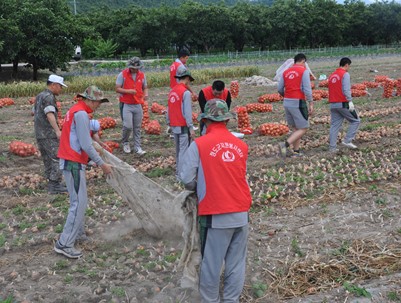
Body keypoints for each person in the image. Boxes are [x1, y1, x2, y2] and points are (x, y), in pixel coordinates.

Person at [180, 99, 252, 303]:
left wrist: (197, 187)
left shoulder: (199, 145)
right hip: (241, 213)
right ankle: (231, 300)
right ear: (226, 121)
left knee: (211, 265)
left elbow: (186, 178)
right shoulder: (241, 145)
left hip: (216, 214)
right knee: (236, 264)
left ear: (206, 121)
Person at [55, 86, 112, 259]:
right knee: (79, 202)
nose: (98, 105)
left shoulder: (77, 111)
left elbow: (82, 140)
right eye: (97, 102)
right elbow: (85, 145)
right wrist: (102, 164)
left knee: (78, 200)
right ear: (88, 99)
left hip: (71, 160)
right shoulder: (80, 114)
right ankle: (64, 243)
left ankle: (77, 234)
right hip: (72, 162)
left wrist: (99, 146)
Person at [34, 74, 68, 194]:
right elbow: (49, 114)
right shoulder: (49, 97)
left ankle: (51, 182)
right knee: (57, 158)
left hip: (39, 133)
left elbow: (36, 113)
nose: (61, 89)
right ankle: (54, 185)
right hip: (48, 133)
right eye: (60, 86)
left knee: (47, 158)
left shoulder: (40, 95)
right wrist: (57, 131)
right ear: (53, 85)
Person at [277, 53, 314, 158]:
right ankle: (284, 145)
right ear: (303, 61)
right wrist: (311, 102)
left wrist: (286, 96)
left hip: (287, 102)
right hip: (298, 102)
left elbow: (279, 88)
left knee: (296, 128)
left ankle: (296, 151)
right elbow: (307, 89)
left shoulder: (286, 72)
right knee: (304, 127)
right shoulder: (303, 71)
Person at [167, 66, 196, 180]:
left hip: (174, 125)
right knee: (183, 151)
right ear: (187, 78)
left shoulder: (172, 91)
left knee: (178, 150)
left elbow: (169, 109)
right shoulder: (185, 93)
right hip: (183, 125)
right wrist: (191, 128)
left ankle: (178, 173)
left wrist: (169, 123)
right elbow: (187, 112)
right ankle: (181, 176)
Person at [116, 57, 148, 155]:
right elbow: (117, 88)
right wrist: (128, 91)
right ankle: (125, 142)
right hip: (126, 104)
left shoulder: (142, 75)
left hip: (138, 103)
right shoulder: (123, 75)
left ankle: (137, 146)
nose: (135, 70)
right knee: (128, 126)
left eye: (137, 68)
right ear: (129, 67)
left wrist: (146, 94)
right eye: (133, 68)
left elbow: (145, 87)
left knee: (137, 127)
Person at [328, 57, 360, 153]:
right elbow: (346, 90)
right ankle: (347, 140)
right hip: (343, 103)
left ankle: (332, 148)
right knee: (356, 120)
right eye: (349, 66)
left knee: (334, 126)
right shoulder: (345, 74)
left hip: (333, 104)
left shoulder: (332, 75)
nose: (349, 68)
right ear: (346, 65)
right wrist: (350, 101)